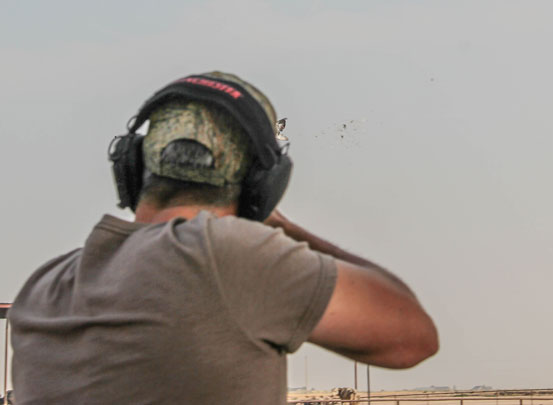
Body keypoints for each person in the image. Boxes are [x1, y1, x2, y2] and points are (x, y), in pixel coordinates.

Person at [9, 71, 438, 404]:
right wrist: (282, 228)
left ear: (131, 167)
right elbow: (411, 337)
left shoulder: (43, 288)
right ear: (262, 186)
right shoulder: (227, 256)